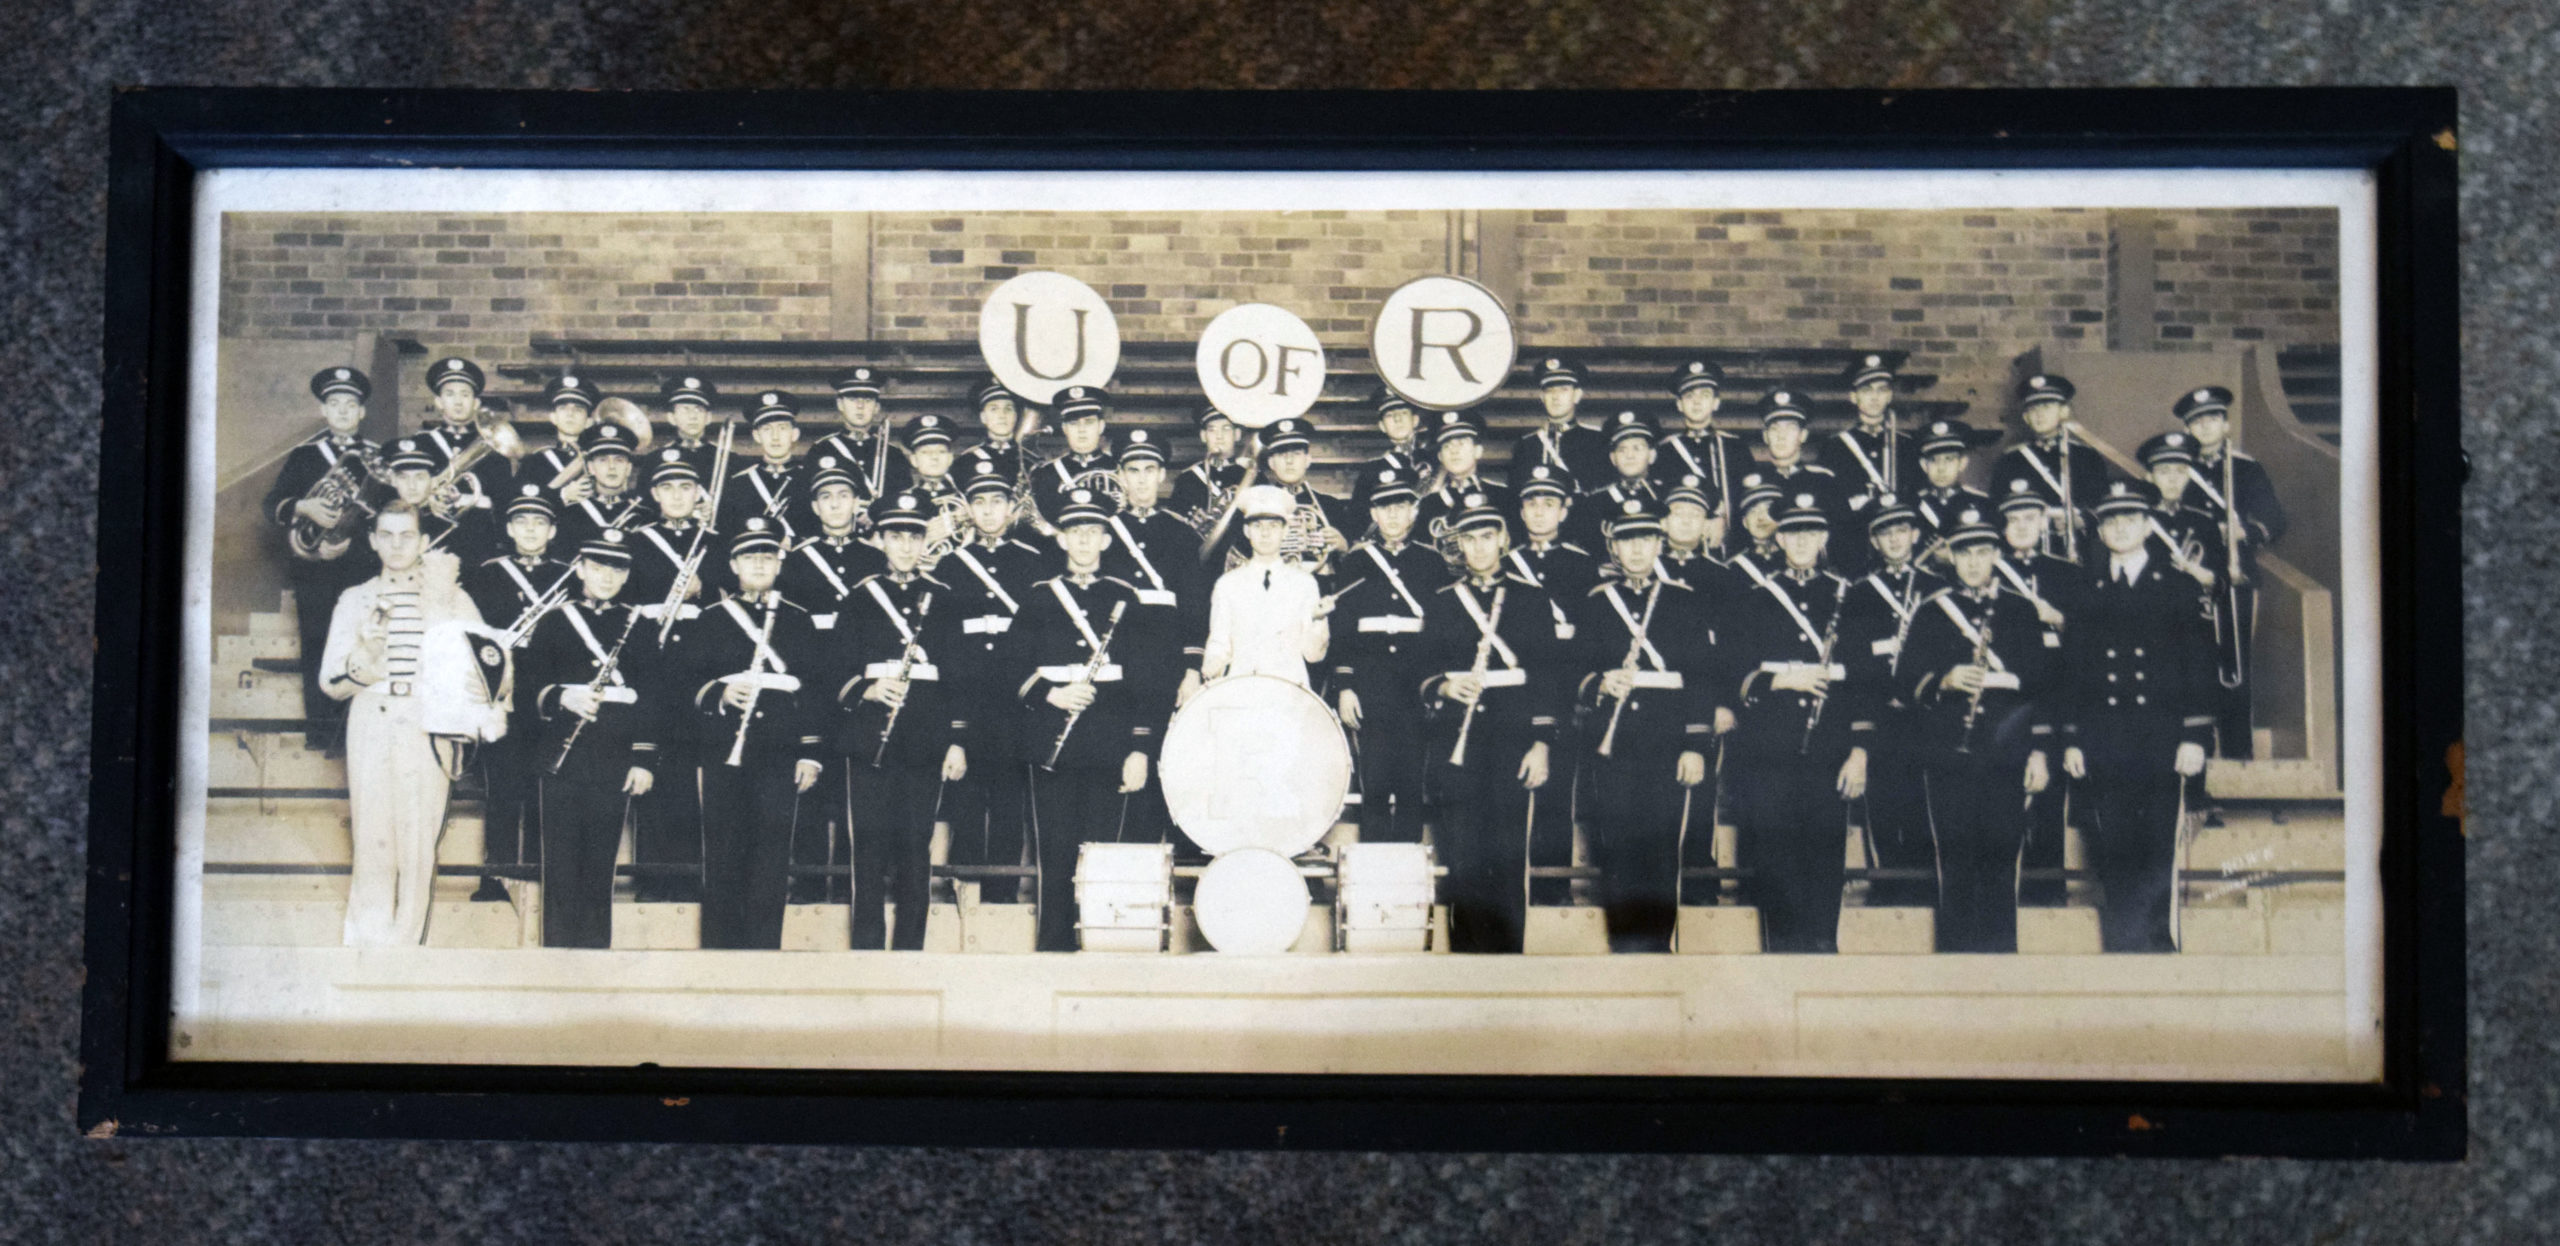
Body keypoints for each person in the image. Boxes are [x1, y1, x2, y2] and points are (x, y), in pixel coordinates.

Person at [319, 505, 490, 946]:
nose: (397, 545)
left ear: (423, 541)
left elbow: (489, 669)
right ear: (372, 540)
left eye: (407, 536)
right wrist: (367, 657)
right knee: (372, 834)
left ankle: (406, 947)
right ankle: (366, 945)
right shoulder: (354, 598)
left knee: (417, 842)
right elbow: (331, 682)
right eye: (387, 535)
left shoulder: (452, 597)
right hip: (372, 718)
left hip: (425, 722)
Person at [2063, 480, 2218, 952]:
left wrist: (2194, 737)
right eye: (2110, 520)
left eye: (2130, 519)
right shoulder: (2086, 588)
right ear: (2101, 530)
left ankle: (2157, 942)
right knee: (2113, 843)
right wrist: (2071, 738)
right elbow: (2072, 671)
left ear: (2149, 525)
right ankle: (2124, 944)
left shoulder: (2177, 586)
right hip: (2103, 738)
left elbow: (2201, 666)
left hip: (2163, 738)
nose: (2120, 528)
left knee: (2155, 844)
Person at [1899, 510, 2062, 952]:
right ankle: (1956, 966)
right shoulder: (1932, 612)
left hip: (2007, 752)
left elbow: (2043, 688)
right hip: (1948, 753)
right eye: (1964, 553)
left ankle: (2000, 965)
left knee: (2001, 859)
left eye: (1982, 552)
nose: (1973, 562)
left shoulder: (2021, 610)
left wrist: (2040, 753)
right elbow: (1904, 680)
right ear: (1951, 557)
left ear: (1996, 554)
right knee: (1954, 861)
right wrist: (1944, 680)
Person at [1011, 490, 1161, 951]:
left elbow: (1146, 681)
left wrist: (1139, 750)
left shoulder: (1126, 598)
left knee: (1103, 856)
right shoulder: (1038, 598)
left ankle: (1100, 949)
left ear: (1105, 539)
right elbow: (1008, 670)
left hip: (1110, 747)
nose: (1083, 541)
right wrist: (1052, 694)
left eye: (1092, 532)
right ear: (1061, 539)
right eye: (1075, 532)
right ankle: (1054, 951)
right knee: (1054, 855)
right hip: (1051, 744)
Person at [1721, 493, 1871, 953]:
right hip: (1769, 749)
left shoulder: (1851, 597)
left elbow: (1867, 683)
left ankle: (1823, 946)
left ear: (1823, 537)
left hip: (1830, 749)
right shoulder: (1754, 600)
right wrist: (1784, 679)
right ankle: (1782, 950)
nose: (1802, 541)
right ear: (1779, 536)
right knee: (1774, 853)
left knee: (1826, 853)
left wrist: (1860, 752)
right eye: (1793, 531)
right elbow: (1735, 674)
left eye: (1811, 532)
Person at [668, 518, 827, 949]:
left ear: (778, 563)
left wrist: (810, 753)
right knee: (722, 851)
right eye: (749, 557)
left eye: (767, 556)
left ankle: (763, 953)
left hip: (780, 751)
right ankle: (720, 952)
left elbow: (815, 689)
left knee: (772, 856)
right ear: (734, 565)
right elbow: (683, 686)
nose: (758, 565)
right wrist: (720, 692)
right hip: (723, 749)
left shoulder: (799, 621)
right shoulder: (710, 620)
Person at [1419, 494, 1565, 953]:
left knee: (1505, 857)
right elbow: (1421, 672)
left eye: (1487, 537)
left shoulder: (1532, 599)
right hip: (1457, 745)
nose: (1479, 548)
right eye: (1470, 539)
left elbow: (1547, 677)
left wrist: (1540, 743)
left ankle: (1508, 965)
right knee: (1463, 858)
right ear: (1459, 545)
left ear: (1503, 539)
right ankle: (1467, 967)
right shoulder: (1442, 601)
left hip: (1510, 742)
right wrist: (1443, 687)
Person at [1573, 500, 1720, 952]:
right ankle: (1624, 948)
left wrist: (1695, 745)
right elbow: (1575, 672)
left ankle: (1657, 948)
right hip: (1612, 745)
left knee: (1660, 850)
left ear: (1659, 542)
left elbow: (1701, 678)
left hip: (1666, 743)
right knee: (1616, 847)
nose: (1635, 549)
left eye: (1644, 539)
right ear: (1613, 549)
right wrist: (1599, 682)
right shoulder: (1596, 603)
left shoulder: (1684, 601)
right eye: (1625, 540)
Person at [514, 528, 663, 948]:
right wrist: (563, 696)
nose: (607, 576)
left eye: (616, 568)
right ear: (579, 568)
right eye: (597, 566)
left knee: (601, 867)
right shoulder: (553, 622)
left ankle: (596, 962)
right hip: (561, 756)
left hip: (616, 756)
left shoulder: (640, 624)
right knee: (559, 865)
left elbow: (653, 697)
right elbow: (527, 691)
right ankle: (558, 961)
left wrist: (643, 760)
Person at [836, 493, 970, 950]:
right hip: (869, 738)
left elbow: (958, 676)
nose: (906, 547)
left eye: (914, 537)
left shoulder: (947, 600)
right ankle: (867, 951)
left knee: (916, 850)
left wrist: (955, 742)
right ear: (881, 541)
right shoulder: (859, 598)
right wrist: (868, 690)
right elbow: (834, 670)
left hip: (925, 741)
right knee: (868, 851)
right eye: (896, 537)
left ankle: (912, 952)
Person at [939, 462, 1049, 902]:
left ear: (1011, 507)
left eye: (996, 502)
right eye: (979, 502)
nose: (988, 511)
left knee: (1009, 804)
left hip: (1016, 701)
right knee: (966, 802)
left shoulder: (1033, 561)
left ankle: (1002, 897)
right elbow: (945, 641)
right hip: (967, 697)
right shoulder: (950, 564)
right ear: (967, 508)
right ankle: (965, 895)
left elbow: (1042, 635)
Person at [264, 365, 383, 756]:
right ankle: (320, 732)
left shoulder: (376, 458)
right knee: (316, 644)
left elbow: (383, 516)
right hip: (313, 569)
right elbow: (273, 505)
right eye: (335, 404)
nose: (344, 412)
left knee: (360, 645)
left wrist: (351, 546)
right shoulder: (304, 455)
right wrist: (306, 506)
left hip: (359, 567)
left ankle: (353, 729)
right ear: (324, 411)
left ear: (362, 412)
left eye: (352, 405)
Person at [463, 485, 573, 903]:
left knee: (547, 786)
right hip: (502, 692)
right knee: (503, 787)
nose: (530, 530)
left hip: (548, 695)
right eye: (522, 521)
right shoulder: (486, 572)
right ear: (509, 528)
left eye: (539, 522)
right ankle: (497, 877)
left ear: (552, 530)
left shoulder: (568, 573)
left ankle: (545, 878)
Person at [1328, 465, 1449, 844]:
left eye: (1401, 506)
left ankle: (1408, 879)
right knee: (1374, 786)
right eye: (1384, 508)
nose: (1393, 515)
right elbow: (1343, 631)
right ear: (1373, 514)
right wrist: (1345, 686)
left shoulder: (1433, 563)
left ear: (1415, 511)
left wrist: (1437, 685)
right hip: (1370, 687)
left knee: (1412, 784)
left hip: (1417, 688)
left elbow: (1443, 632)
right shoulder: (1355, 563)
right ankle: (1374, 878)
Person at [621, 452, 719, 903]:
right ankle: (654, 877)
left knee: (700, 772)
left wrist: (709, 587)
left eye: (687, 488)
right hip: (652, 665)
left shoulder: (716, 543)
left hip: (703, 668)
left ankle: (699, 874)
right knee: (654, 766)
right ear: (655, 495)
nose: (678, 497)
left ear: (699, 494)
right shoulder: (635, 543)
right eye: (668, 489)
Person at [1839, 495, 1944, 908]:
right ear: (1874, 541)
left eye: (1902, 530)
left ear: (1916, 535)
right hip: (1879, 713)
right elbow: (1855, 662)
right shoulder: (1860, 594)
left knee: (1928, 802)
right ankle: (1888, 886)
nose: (1896, 539)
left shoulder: (1939, 589)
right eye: (1886, 532)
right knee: (1882, 802)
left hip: (1929, 715)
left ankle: (1928, 887)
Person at [2174, 384, 2288, 764]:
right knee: (2187, 665)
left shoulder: (2246, 467)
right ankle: (2195, 754)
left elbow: (2274, 519)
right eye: (2197, 422)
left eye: (2212, 418)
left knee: (2234, 669)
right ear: (2188, 429)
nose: (2205, 426)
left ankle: (2239, 754)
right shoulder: (2174, 468)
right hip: (2187, 580)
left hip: (2234, 578)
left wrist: (2246, 530)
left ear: (2225, 423)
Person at [1992, 478, 2083, 907]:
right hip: (2011, 695)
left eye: (2030, 518)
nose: (2022, 526)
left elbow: (2091, 639)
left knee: (2051, 793)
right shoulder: (1988, 573)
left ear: (2044, 522)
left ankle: (2047, 891)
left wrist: (2060, 619)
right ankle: (2004, 892)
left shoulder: (2068, 573)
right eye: (2013, 520)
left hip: (2061, 688)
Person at [1199, 484, 1332, 688]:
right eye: (1258, 526)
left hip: (1290, 692)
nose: (1265, 534)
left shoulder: (1304, 584)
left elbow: (1313, 655)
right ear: (1247, 531)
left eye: (1273, 526)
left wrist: (1318, 620)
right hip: (1242, 690)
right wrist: (1212, 665)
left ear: (1285, 530)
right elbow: (1219, 642)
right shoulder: (1227, 585)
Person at [1993, 374, 2117, 565]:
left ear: (2064, 411)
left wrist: (2081, 520)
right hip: (2027, 552)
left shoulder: (2087, 457)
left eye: (2047, 407)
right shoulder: (2010, 461)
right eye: (2033, 409)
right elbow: (1998, 512)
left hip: (2076, 549)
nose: (2039, 414)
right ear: (2026, 417)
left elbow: (2103, 505)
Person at [1207, 416, 1352, 571]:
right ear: (1271, 463)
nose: (1289, 461)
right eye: (1282, 454)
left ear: (1308, 460)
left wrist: (1344, 548)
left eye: (1296, 453)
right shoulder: (1253, 505)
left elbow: (1349, 571)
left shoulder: (1331, 507)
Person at [1755, 390, 1860, 575]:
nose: (1781, 436)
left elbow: (1844, 541)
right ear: (1765, 436)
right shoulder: (1754, 484)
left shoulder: (1824, 481)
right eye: (1775, 428)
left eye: (1790, 428)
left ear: (1803, 435)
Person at [1651, 359, 1750, 545]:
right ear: (1679, 404)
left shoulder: (1736, 448)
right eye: (1689, 396)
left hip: (1732, 545)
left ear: (1716, 403)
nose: (1696, 402)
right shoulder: (1665, 451)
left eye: (1704, 395)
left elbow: (1747, 502)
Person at [1825, 353, 1924, 517]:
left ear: (1889, 396)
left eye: (1881, 389)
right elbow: (1833, 504)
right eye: (1866, 390)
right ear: (1853, 397)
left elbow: (1917, 497)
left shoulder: (1908, 445)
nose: (1875, 397)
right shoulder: (1835, 447)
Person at [413, 356, 508, 514]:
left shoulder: (495, 447)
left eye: (465, 395)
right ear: (439, 402)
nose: (458, 402)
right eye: (450, 394)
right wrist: (428, 501)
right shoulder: (421, 444)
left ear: (475, 403)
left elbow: (502, 501)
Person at [810, 366, 909, 504]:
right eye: (852, 399)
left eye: (867, 400)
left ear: (876, 407)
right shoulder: (821, 450)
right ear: (840, 404)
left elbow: (903, 502)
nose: (860, 406)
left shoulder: (893, 454)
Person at [1510, 356, 1611, 491]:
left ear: (1577, 395)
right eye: (1549, 390)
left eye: (1563, 389)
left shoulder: (1597, 441)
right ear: (1541, 397)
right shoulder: (1526, 446)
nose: (1555, 397)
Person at [719, 391, 807, 543]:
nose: (775, 436)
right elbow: (729, 536)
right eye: (767, 429)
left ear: (794, 434)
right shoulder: (738, 484)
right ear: (756, 436)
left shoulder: (809, 480)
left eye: (782, 428)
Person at [1568, 411, 1662, 551]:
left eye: (1637, 448)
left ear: (1652, 455)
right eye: (1622, 449)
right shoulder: (1593, 505)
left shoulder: (1666, 498)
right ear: (1613, 458)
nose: (1629, 455)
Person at [552, 422, 652, 555]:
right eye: (603, 460)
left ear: (628, 469)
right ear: (591, 468)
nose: (612, 467)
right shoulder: (571, 514)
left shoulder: (645, 515)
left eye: (619, 460)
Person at [1906, 419, 1995, 567]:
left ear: (1962, 463)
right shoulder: (1911, 506)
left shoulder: (1983, 505)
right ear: (1924, 465)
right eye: (1934, 460)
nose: (1941, 468)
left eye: (1949, 459)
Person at [1416, 411, 1512, 540]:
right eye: (1447, 446)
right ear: (1440, 457)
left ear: (1478, 451)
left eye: (1461, 443)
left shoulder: (1502, 497)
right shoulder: (1429, 504)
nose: (1454, 451)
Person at [1029, 386, 1118, 523]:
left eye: (1089, 422)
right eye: (1074, 423)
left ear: (1101, 426)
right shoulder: (1045, 474)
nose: (1081, 430)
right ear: (1065, 428)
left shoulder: (1119, 469)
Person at [518, 374, 600, 511]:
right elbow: (523, 502)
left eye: (578, 409)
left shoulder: (599, 459)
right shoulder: (535, 461)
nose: (570, 414)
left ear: (588, 422)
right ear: (553, 418)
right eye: (563, 408)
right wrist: (563, 495)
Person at [1167, 404, 1251, 527]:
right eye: (1212, 430)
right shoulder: (1187, 479)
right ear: (1203, 436)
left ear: (1237, 434)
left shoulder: (1251, 476)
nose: (1219, 436)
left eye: (1226, 428)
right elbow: (1175, 527)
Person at [1351, 391, 1428, 510]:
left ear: (1415, 420)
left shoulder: (1437, 457)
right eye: (1389, 415)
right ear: (1382, 426)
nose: (1397, 419)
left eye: (1403, 413)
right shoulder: (1371, 471)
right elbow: (1359, 516)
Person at [657, 375, 724, 481]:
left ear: (708, 417)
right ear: (671, 418)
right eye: (685, 409)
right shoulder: (655, 460)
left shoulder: (727, 460)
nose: (693, 416)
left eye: (699, 409)